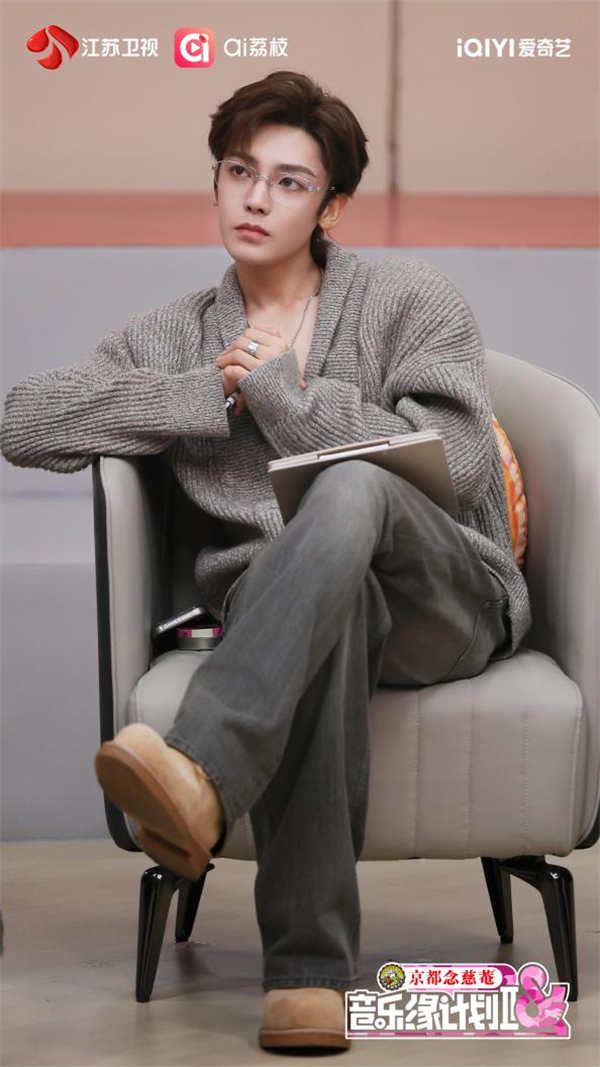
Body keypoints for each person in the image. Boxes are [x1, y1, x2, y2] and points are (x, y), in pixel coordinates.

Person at [0, 70, 531, 1051]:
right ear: (215, 182)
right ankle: (306, 977)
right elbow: (25, 420)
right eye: (240, 171)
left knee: (354, 487)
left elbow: (459, 463)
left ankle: (201, 767)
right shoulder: (174, 335)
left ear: (331, 207)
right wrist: (202, 396)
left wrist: (288, 400)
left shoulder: (410, 300)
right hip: (298, 610)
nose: (255, 198)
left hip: (445, 599)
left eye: (289, 182)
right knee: (332, 611)